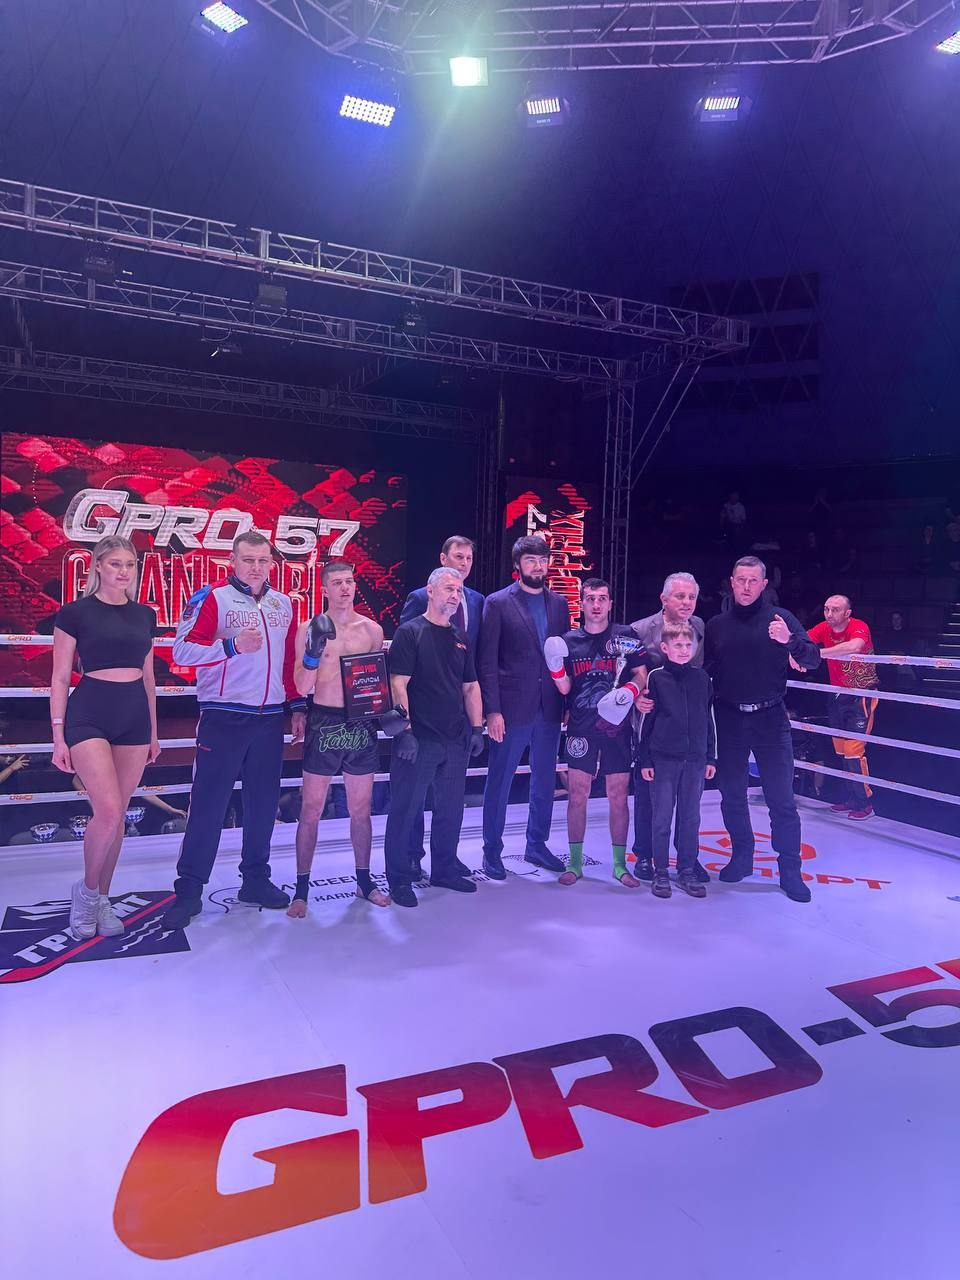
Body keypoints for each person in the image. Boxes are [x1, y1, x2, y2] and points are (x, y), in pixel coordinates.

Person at [162, 531, 306, 929]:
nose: (256, 567)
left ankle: (255, 881)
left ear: (272, 563)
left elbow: (287, 661)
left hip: (269, 717)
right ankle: (189, 890)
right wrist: (231, 646)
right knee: (209, 805)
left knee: (263, 805)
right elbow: (181, 651)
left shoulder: (283, 604)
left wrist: (296, 705)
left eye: (262, 560)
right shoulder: (213, 597)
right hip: (223, 717)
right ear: (233, 561)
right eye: (248, 560)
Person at [50, 535, 159, 939]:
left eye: (129, 564)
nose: (123, 571)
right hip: (89, 713)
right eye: (115, 563)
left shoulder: (145, 614)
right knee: (109, 811)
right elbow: (60, 677)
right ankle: (88, 893)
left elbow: (149, 679)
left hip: (134, 718)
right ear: (97, 566)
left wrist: (154, 732)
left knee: (119, 816)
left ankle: (102, 899)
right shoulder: (75, 613)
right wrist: (58, 735)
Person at [704, 556, 821, 903]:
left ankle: (790, 870)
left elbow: (812, 658)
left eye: (753, 580)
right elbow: (705, 671)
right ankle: (742, 857)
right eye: (740, 579)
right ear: (731, 581)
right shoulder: (716, 625)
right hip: (729, 717)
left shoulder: (780, 619)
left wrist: (790, 641)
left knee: (781, 799)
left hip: (771, 718)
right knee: (732, 795)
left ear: (764, 584)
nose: (746, 586)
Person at [288, 559, 390, 916]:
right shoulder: (308, 628)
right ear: (325, 589)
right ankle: (301, 890)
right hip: (324, 720)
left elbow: (374, 682)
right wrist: (313, 654)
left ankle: (364, 881)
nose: (345, 588)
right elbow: (301, 686)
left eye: (349, 581)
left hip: (360, 723)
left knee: (361, 809)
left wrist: (389, 713)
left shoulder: (372, 630)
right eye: (337, 583)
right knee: (311, 809)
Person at [382, 567, 484, 907]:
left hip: (454, 738)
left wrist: (477, 727)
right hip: (419, 737)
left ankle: (444, 869)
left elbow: (470, 686)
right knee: (405, 810)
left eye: (459, 591)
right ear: (430, 591)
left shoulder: (459, 636)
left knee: (450, 810)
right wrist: (405, 731)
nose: (454, 595)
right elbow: (398, 684)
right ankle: (398, 878)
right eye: (448, 589)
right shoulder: (410, 632)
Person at [545, 578, 651, 888]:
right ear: (581, 603)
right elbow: (565, 688)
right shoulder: (569, 641)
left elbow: (641, 674)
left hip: (617, 727)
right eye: (590, 598)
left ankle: (619, 866)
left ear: (610, 604)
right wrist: (555, 668)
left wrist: (630, 691)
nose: (596, 604)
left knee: (618, 796)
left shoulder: (626, 636)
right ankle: (575, 864)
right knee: (577, 795)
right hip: (581, 726)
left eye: (602, 598)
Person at [477, 535, 570, 879]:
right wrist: (492, 710)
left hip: (550, 706)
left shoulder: (559, 603)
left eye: (543, 560)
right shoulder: (498, 602)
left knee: (544, 780)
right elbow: (487, 661)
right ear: (518, 565)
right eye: (531, 560)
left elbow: (565, 656)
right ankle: (492, 851)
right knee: (500, 780)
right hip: (511, 708)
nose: (538, 566)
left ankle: (537, 844)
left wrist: (567, 700)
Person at [629, 572, 710, 885]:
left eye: (691, 597)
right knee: (649, 797)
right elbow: (623, 672)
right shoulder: (640, 629)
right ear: (664, 599)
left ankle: (686, 859)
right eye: (680, 596)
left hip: (687, 730)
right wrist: (634, 697)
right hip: (651, 725)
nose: (687, 602)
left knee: (688, 807)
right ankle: (645, 855)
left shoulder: (699, 627)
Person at [638, 624, 716, 900]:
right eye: (678, 645)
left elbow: (709, 719)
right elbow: (647, 722)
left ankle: (686, 870)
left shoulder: (702, 678)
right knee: (661, 817)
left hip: (695, 760)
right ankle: (660, 871)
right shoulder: (657, 678)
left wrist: (710, 756)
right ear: (665, 648)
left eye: (688, 645)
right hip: (663, 760)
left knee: (691, 817)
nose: (683, 650)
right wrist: (644, 759)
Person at [807, 595, 879, 820]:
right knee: (841, 752)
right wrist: (794, 653)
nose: (829, 614)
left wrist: (816, 654)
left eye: (835, 610)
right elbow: (803, 640)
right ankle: (851, 799)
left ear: (847, 613)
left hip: (861, 695)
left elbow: (854, 646)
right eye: (826, 609)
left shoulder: (859, 626)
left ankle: (866, 804)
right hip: (837, 695)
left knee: (854, 752)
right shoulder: (823, 628)